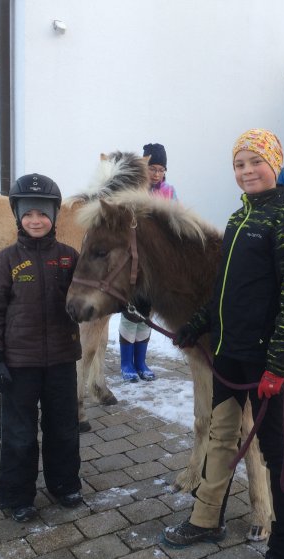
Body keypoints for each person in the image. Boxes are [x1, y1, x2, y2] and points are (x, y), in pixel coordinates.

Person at [164, 129, 284, 559]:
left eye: (255, 161)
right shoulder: (238, 219)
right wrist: (196, 325)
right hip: (228, 356)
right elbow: (224, 293)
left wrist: (278, 364)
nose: (247, 171)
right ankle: (206, 519)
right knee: (220, 437)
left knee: (275, 453)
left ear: (275, 164)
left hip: (264, 364)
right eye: (239, 164)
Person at [0, 173, 84, 523]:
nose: (36, 220)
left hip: (61, 361)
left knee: (63, 429)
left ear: (54, 215)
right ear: (17, 215)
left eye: (42, 213)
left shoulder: (70, 258)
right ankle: (16, 495)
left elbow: (90, 294)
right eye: (28, 214)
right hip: (18, 365)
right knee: (19, 435)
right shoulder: (4, 261)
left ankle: (64, 483)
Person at [118, 143, 177, 382]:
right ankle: (126, 363)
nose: (156, 173)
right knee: (131, 312)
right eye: (152, 167)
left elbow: (174, 220)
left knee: (147, 314)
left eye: (161, 169)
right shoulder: (133, 190)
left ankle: (141, 361)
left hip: (157, 262)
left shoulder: (169, 192)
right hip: (135, 261)